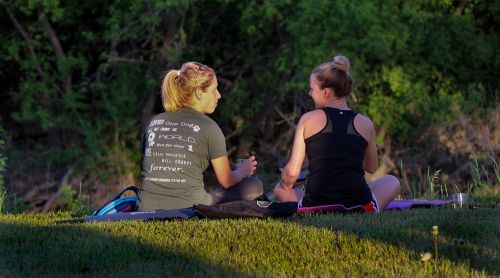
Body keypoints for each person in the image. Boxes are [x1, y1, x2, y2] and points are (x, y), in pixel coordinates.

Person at [273, 55, 400, 212]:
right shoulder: (365, 123)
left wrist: (285, 183)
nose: (309, 94)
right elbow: (371, 167)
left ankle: (307, 204)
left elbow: (292, 173)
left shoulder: (308, 119)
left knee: (280, 189)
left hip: (315, 206)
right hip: (358, 204)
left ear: (326, 92)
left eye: (312, 89)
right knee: (392, 181)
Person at [139, 62, 263, 210]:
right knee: (254, 186)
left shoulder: (154, 122)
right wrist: (242, 171)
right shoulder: (209, 127)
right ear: (199, 93)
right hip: (189, 208)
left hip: (145, 208)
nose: (219, 95)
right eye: (214, 90)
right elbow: (227, 180)